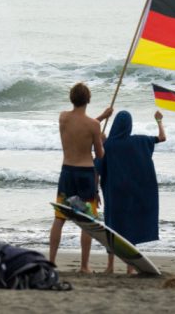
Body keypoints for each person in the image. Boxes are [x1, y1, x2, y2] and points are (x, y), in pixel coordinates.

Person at [49, 82, 113, 273]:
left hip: (67, 171)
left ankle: (51, 261)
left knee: (60, 217)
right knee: (87, 221)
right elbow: (100, 155)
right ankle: (84, 265)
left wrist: (101, 117)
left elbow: (80, 123)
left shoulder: (63, 118)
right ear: (89, 99)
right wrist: (101, 139)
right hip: (85, 174)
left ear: (71, 99)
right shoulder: (93, 126)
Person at [99, 110, 166, 274]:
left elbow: (99, 165)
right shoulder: (139, 141)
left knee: (111, 227)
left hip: (113, 193)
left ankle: (110, 266)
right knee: (130, 228)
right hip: (131, 193)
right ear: (129, 126)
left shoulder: (109, 145)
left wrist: (101, 137)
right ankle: (130, 268)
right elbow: (162, 138)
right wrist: (158, 121)